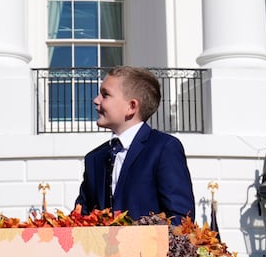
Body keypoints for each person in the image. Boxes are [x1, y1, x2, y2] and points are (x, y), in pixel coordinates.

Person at [74, 66, 195, 221]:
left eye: (105, 95)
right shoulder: (94, 158)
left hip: (149, 245)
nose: (96, 100)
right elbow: (81, 217)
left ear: (131, 107)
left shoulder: (163, 148)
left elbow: (180, 218)